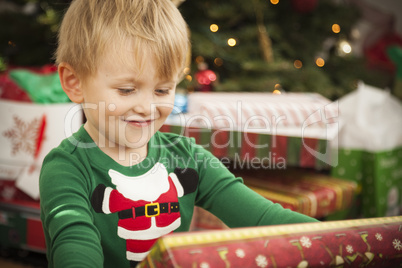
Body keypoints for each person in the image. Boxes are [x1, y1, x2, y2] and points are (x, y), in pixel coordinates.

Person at [39, 0, 318, 267]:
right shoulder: (66, 168)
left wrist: (351, 237)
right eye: (126, 90)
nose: (147, 107)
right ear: (74, 83)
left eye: (162, 90)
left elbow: (264, 218)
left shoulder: (189, 158)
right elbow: (75, 244)